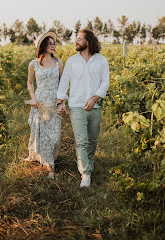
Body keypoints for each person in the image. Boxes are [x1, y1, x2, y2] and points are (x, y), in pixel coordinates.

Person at [57, 28, 109, 188]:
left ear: (88, 41)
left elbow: (105, 82)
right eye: (76, 39)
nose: (76, 41)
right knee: (81, 142)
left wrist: (94, 99)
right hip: (77, 106)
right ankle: (85, 174)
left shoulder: (101, 60)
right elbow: (64, 82)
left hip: (95, 106)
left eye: (79, 39)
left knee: (93, 140)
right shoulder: (72, 61)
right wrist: (60, 102)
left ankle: (89, 162)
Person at [26, 31, 63, 179]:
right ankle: (48, 165)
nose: (53, 46)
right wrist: (33, 98)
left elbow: (62, 83)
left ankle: (48, 157)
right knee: (41, 133)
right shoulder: (33, 64)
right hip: (40, 102)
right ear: (42, 46)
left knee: (54, 135)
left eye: (54, 43)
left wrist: (61, 102)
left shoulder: (59, 62)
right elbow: (29, 84)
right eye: (50, 43)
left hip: (53, 102)